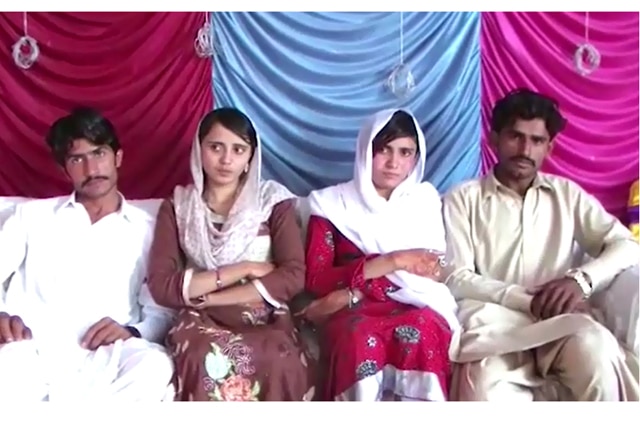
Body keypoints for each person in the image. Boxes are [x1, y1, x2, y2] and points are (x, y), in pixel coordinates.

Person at [443, 88, 640, 401]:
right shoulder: (462, 199)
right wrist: (526, 300)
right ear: (493, 140)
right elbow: (456, 277)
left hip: (563, 319)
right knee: (480, 389)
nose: (525, 149)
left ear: (550, 147)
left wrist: (580, 281)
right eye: (515, 136)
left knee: (599, 357)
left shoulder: (567, 195)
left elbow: (627, 245)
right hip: (495, 325)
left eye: (536, 141)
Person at [0, 107, 175, 402]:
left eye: (99, 153)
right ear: (63, 169)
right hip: (31, 350)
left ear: (118, 157)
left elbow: (161, 310)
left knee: (154, 365)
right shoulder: (31, 217)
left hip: (106, 354)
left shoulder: (149, 229)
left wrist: (132, 331)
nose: (91, 169)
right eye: (77, 159)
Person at [146, 107, 315, 402]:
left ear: (250, 158)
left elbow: (293, 275)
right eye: (215, 147)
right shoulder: (178, 206)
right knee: (199, 354)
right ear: (199, 151)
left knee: (278, 356)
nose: (226, 160)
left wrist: (211, 296)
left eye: (238, 149)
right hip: (200, 319)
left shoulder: (272, 202)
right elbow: (161, 285)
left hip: (264, 315)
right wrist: (244, 268)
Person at [300, 109, 459, 401]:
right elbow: (317, 279)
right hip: (352, 312)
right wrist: (393, 261)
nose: (393, 163)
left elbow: (430, 272)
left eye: (405, 152)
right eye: (383, 150)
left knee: (422, 329)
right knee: (358, 338)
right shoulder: (330, 205)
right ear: (365, 150)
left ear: (416, 158)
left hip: (412, 303)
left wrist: (357, 289)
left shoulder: (424, 201)